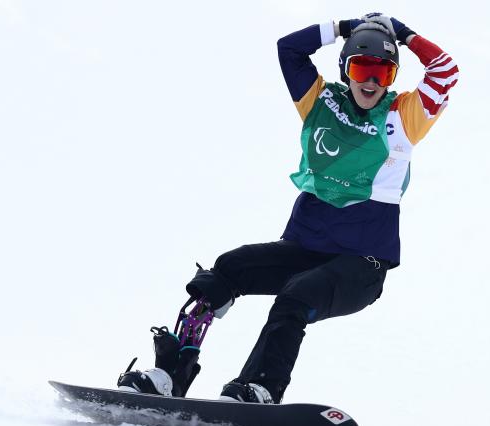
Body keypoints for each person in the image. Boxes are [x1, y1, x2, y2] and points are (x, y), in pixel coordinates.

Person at [116, 13, 459, 404]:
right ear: (346, 69)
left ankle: (260, 387)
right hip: (306, 249)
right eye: (361, 68)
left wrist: (404, 34)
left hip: (362, 264)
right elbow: (289, 49)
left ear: (392, 78)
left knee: (298, 294)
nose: (369, 81)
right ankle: (169, 375)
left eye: (382, 73)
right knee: (230, 267)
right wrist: (342, 28)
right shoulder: (320, 102)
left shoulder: (403, 117)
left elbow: (445, 71)